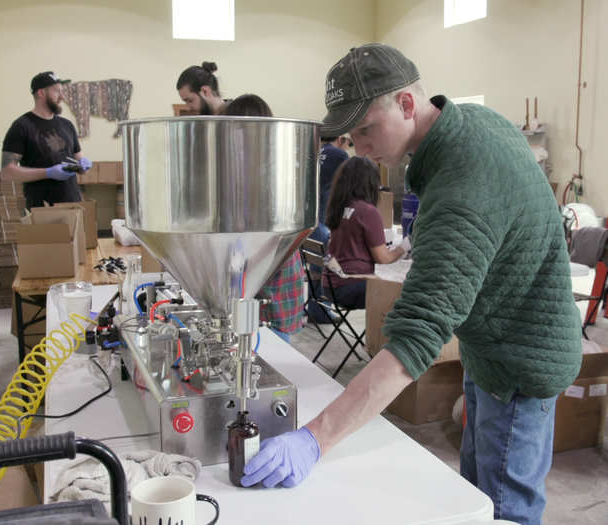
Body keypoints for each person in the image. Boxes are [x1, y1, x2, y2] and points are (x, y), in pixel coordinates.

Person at [241, 43, 582, 525]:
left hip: (522, 363)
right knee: (476, 497)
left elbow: (416, 337)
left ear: (406, 104)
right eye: (349, 133)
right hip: (493, 350)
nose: (357, 147)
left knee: (506, 508)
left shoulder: (464, 178)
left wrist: (316, 437)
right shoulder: (470, 128)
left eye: (364, 129)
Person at [222, 94, 305, 344]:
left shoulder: (268, 172)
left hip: (271, 287)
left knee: (270, 357)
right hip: (268, 282)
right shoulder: (269, 164)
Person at [322, 156, 409, 310]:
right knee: (411, 294)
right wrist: (406, 245)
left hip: (330, 286)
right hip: (352, 285)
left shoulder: (338, 207)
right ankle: (380, 334)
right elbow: (383, 259)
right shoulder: (368, 212)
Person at [0, 71, 92, 209]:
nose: (62, 97)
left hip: (73, 205)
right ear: (41, 93)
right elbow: (7, 172)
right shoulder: (21, 127)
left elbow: (79, 161)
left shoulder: (67, 125)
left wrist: (83, 166)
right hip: (41, 209)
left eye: (62, 91)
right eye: (57, 91)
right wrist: (47, 172)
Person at [304, 134, 349, 323]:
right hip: (324, 221)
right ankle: (321, 312)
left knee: (315, 268)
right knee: (326, 269)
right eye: (349, 143)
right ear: (341, 138)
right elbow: (348, 185)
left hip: (308, 222)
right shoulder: (340, 155)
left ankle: (314, 309)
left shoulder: (314, 151)